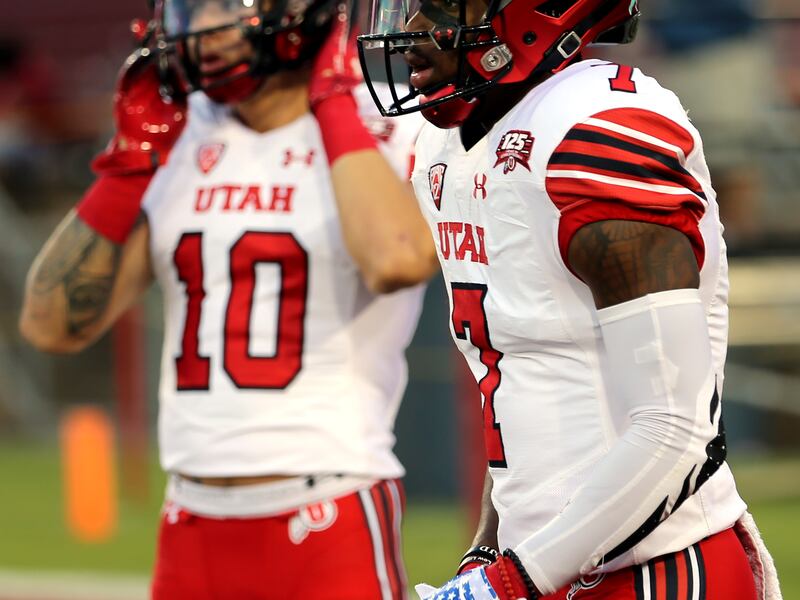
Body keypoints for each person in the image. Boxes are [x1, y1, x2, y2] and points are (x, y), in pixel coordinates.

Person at [358, 1, 782, 599]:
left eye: (438, 6)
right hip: (542, 566)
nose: (410, 31)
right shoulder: (445, 147)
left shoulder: (598, 127)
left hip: (656, 570)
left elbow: (674, 426)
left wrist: (507, 582)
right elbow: (525, 386)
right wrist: (488, 551)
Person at [19, 1, 437, 598]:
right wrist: (126, 167)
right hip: (189, 521)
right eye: (191, 7)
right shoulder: (184, 130)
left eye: (227, 3)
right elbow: (50, 324)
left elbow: (398, 259)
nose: (204, 26)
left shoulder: (392, 121)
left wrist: (334, 102)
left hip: (327, 506)